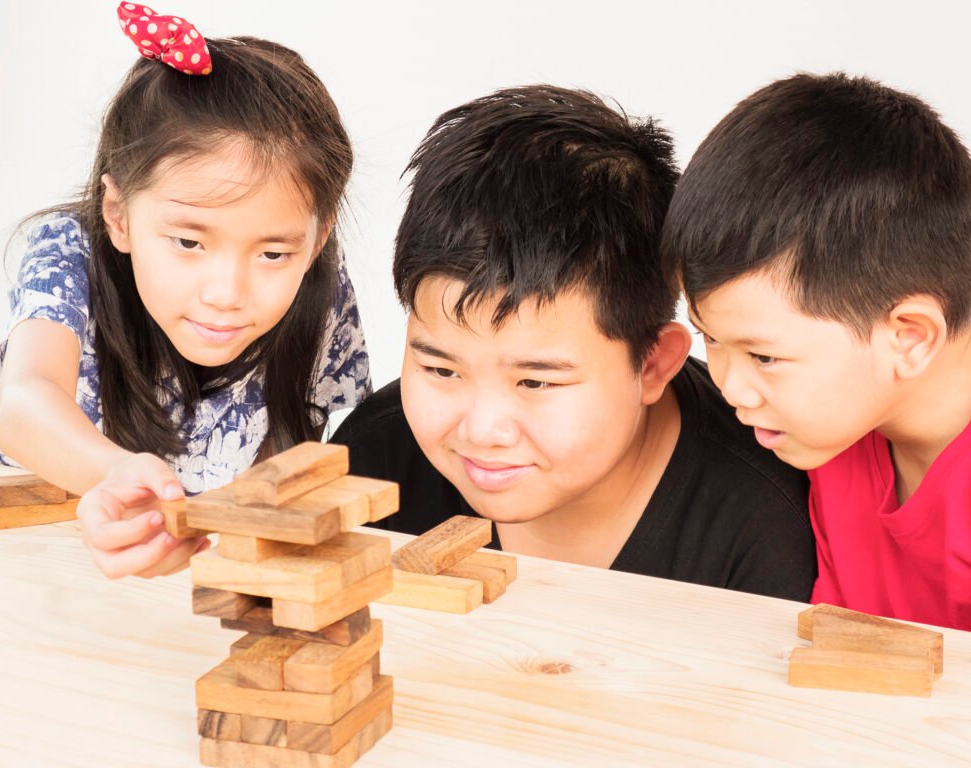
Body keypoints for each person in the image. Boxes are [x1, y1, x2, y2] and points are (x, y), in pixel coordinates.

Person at [332, 85, 815, 601]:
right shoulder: (374, 466)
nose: (482, 430)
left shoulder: (762, 527)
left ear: (652, 365)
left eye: (536, 380)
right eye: (442, 371)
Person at [0, 4, 371, 579]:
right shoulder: (68, 254)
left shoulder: (318, 286)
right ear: (118, 214)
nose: (227, 293)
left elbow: (284, 467)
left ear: (317, 238)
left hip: (149, 589)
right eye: (189, 243)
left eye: (273, 253)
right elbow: (24, 406)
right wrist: (118, 476)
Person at [661, 72, 971, 630]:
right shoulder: (834, 439)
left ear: (909, 337)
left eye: (764, 357)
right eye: (710, 336)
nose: (729, 386)